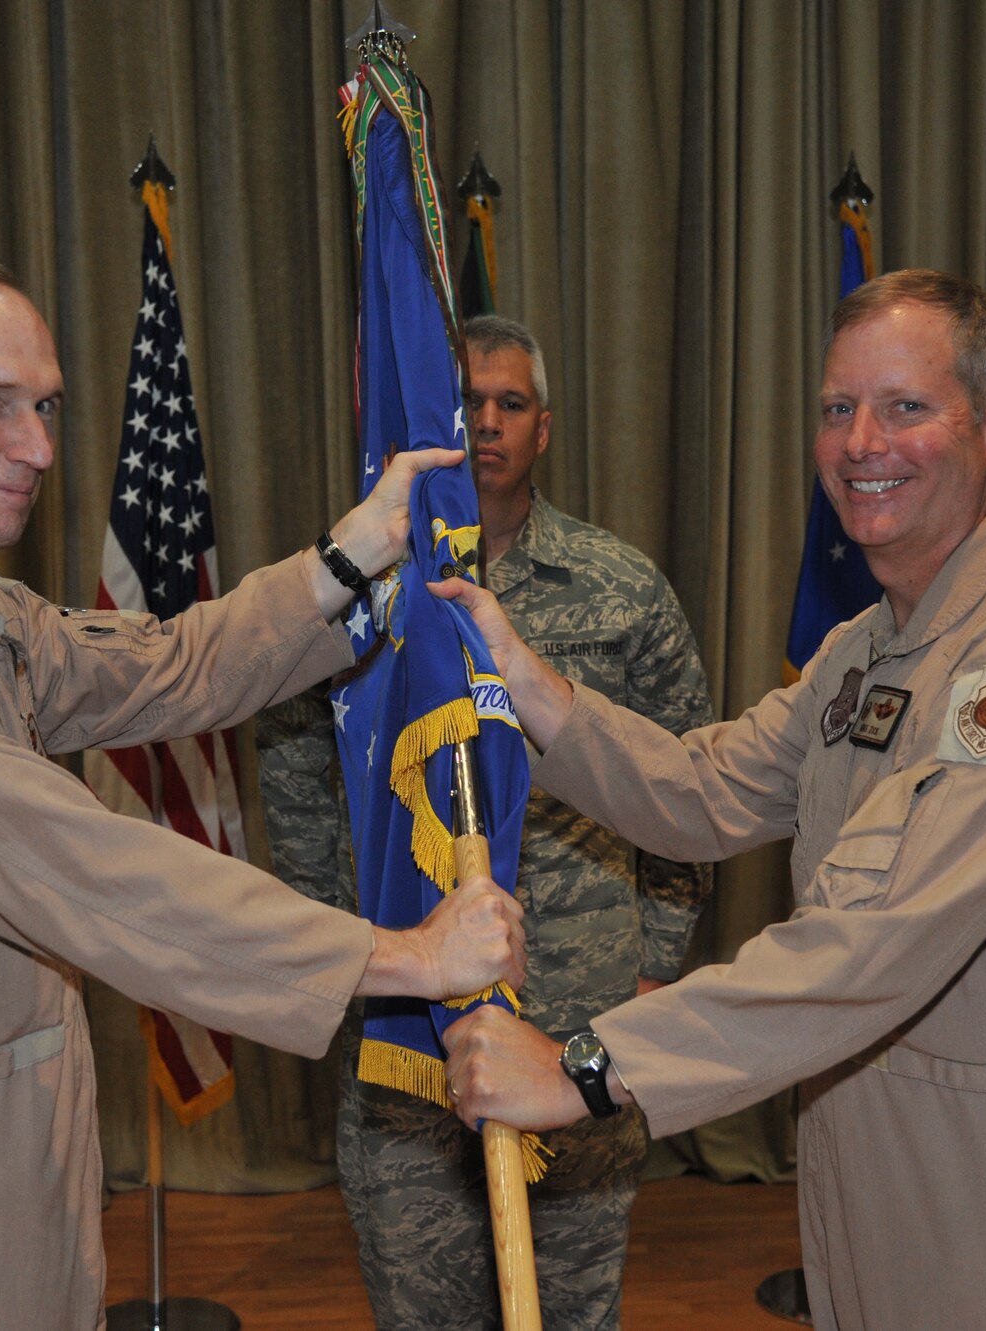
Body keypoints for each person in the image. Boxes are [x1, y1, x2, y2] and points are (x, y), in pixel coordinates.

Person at [0, 258, 526, 1331]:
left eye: (45, 405)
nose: (40, 447)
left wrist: (352, 553)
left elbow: (166, 663)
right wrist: (404, 955)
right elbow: (88, 867)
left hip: (28, 1145)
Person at [440, 271, 986, 1329]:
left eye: (904, 406)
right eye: (837, 408)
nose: (858, 441)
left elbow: (872, 940)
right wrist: (532, 689)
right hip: (863, 1160)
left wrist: (587, 1068)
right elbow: (699, 790)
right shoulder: (867, 646)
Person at [257, 314, 714, 1330]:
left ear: (542, 429)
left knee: (573, 1307)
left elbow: (686, 777)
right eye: (465, 404)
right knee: (422, 1306)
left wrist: (657, 961)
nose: (486, 423)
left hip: (575, 1014)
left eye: (510, 403)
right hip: (409, 1033)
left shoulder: (619, 586)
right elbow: (289, 764)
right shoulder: (353, 591)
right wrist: (342, 949)